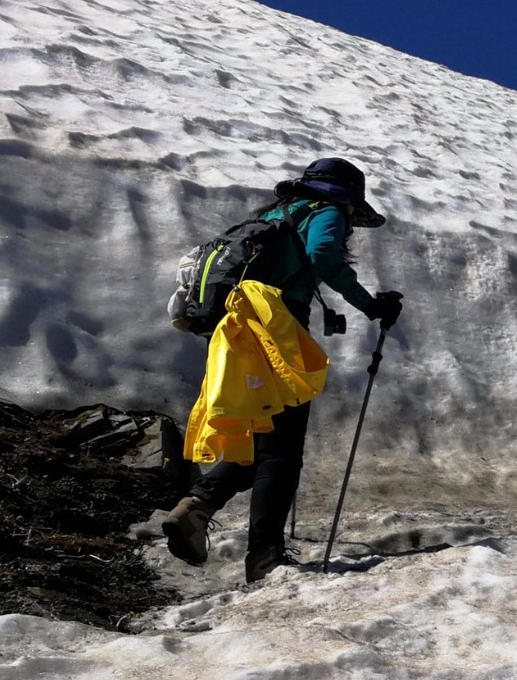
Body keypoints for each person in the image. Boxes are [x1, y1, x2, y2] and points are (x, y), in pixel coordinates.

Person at [161, 157, 402, 583]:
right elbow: (323, 254)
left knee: (267, 437)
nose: (348, 218)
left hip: (237, 331)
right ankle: (264, 558)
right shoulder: (325, 212)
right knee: (283, 449)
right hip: (274, 331)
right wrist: (369, 304)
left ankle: (196, 510)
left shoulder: (277, 214)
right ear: (345, 199)